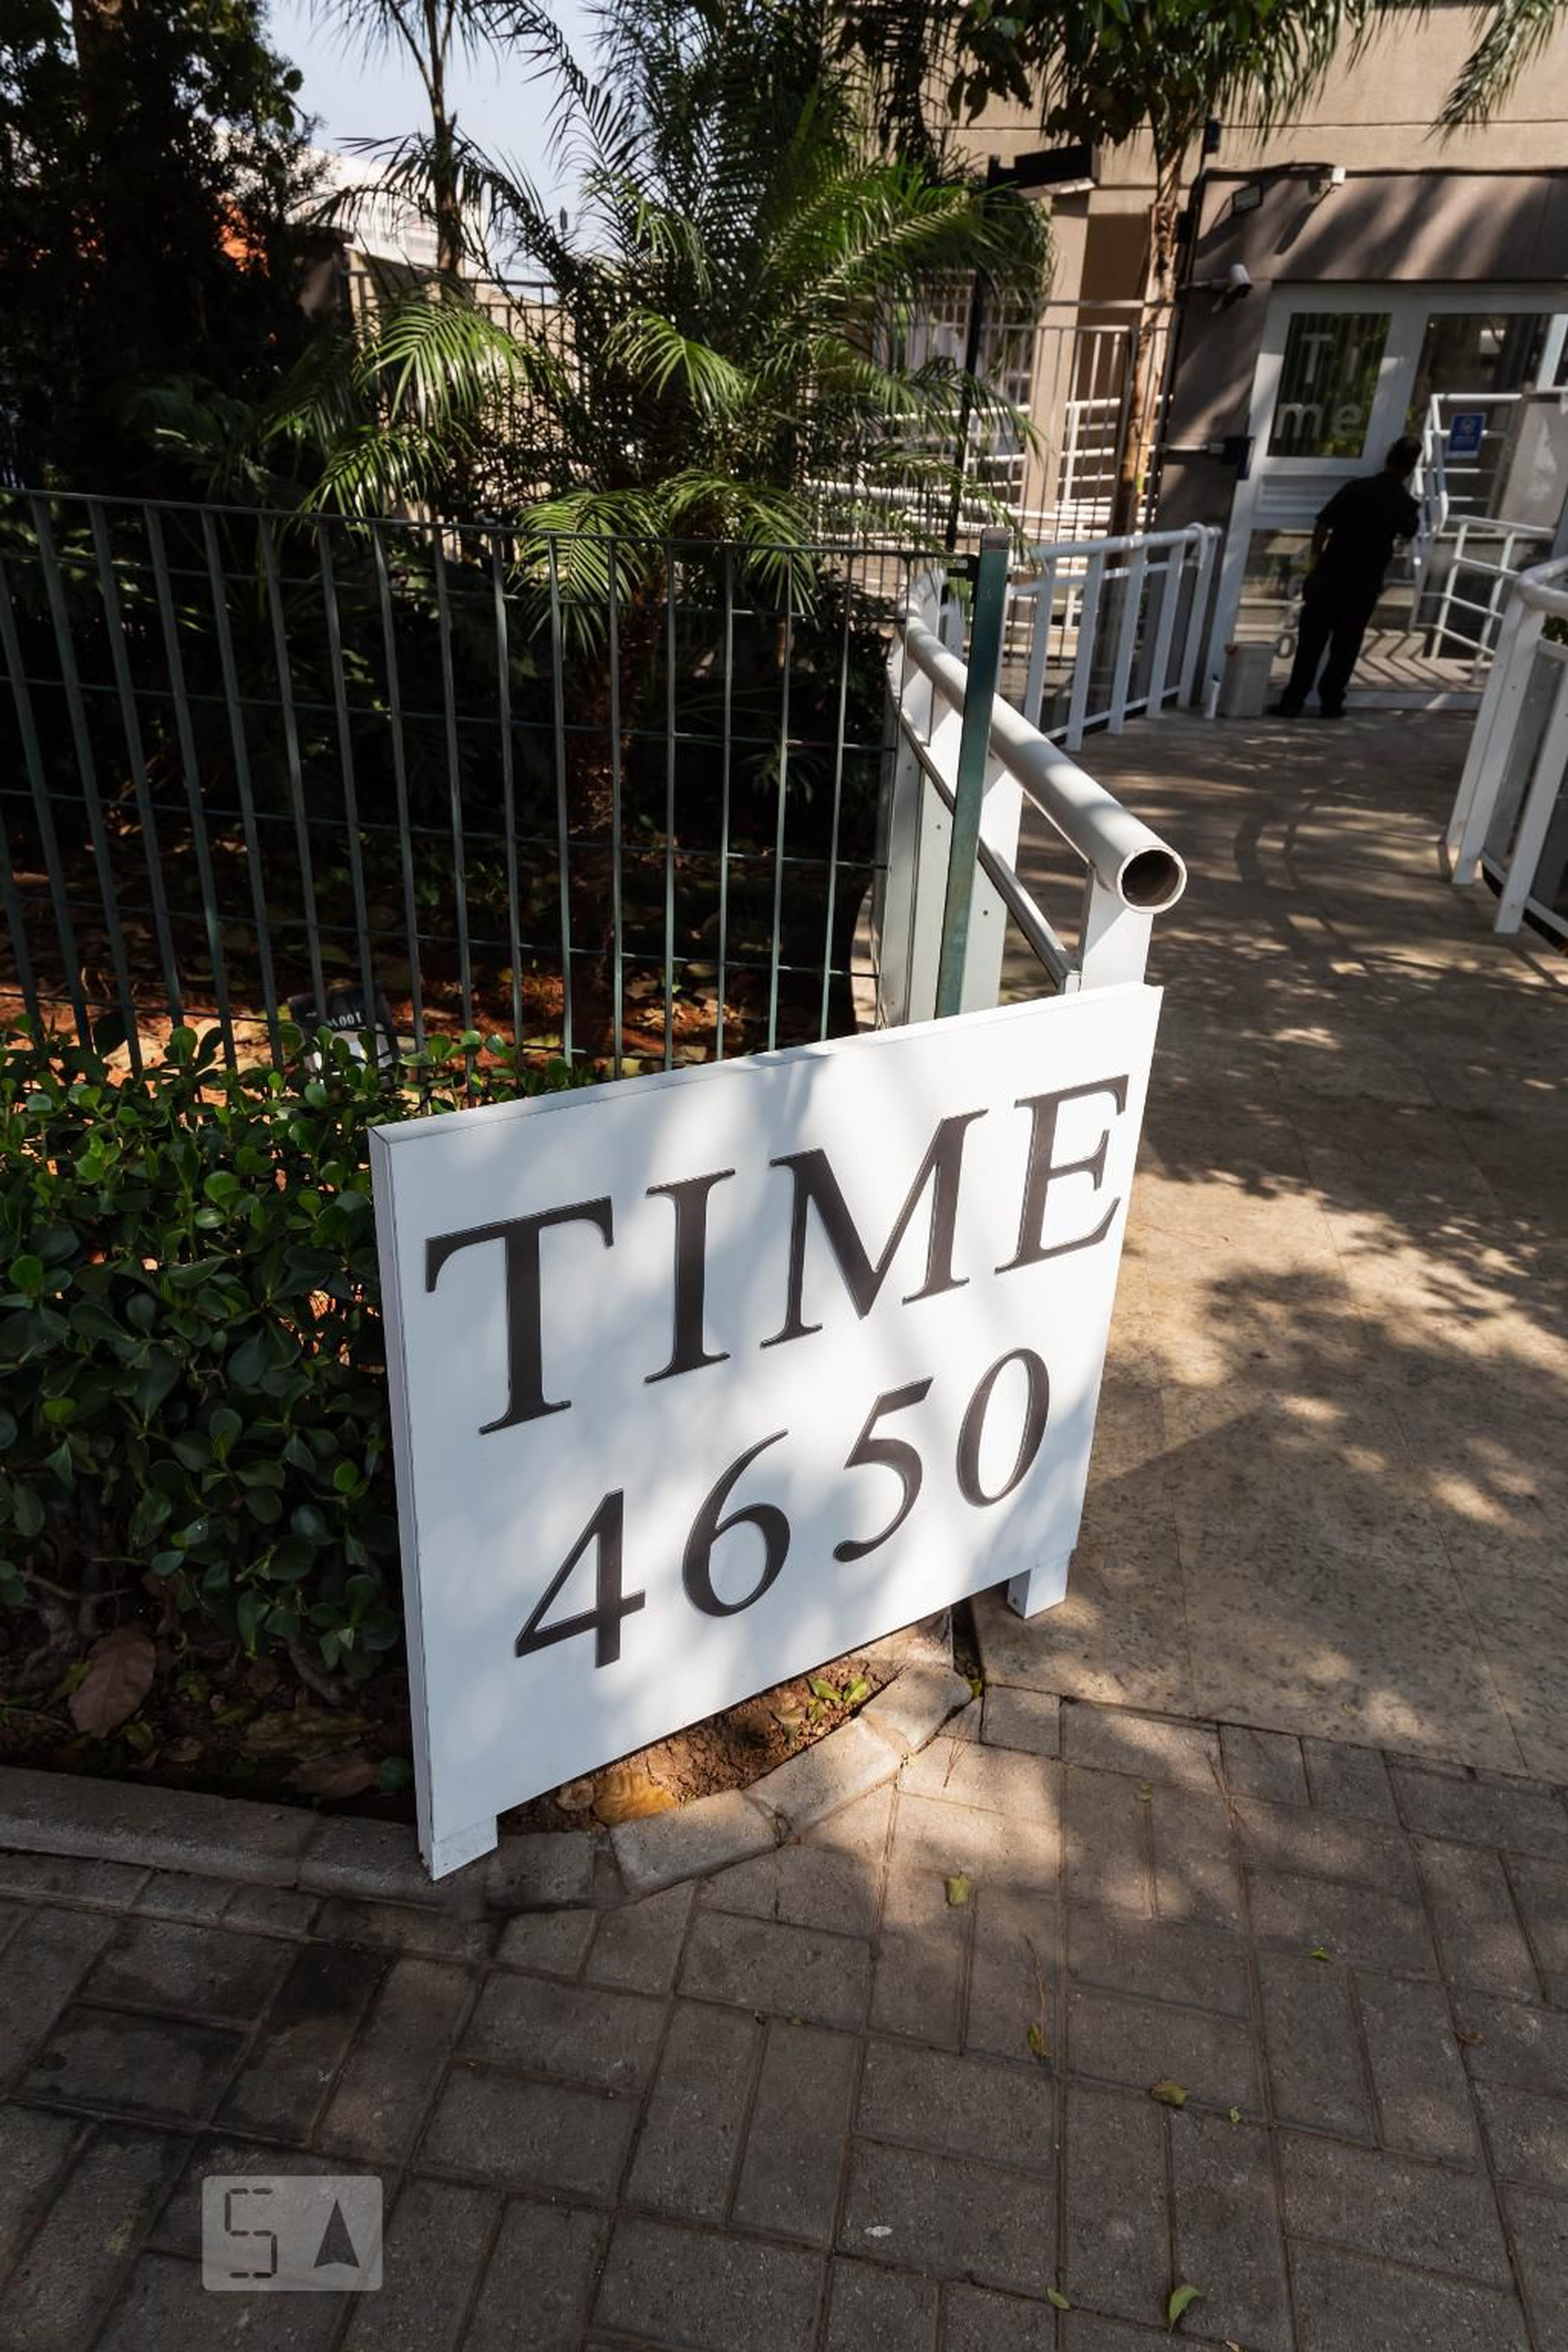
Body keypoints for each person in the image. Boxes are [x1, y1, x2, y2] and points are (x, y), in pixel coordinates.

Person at [1272, 434, 1423, 718]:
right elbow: (1410, 531)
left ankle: (1293, 701)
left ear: (1388, 459)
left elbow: (1322, 524)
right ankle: (1331, 703)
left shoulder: (1357, 489)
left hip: (1331, 574)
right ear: (1411, 468)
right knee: (1346, 646)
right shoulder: (1404, 504)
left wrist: (1315, 563)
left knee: (1311, 644)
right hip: (1364, 583)